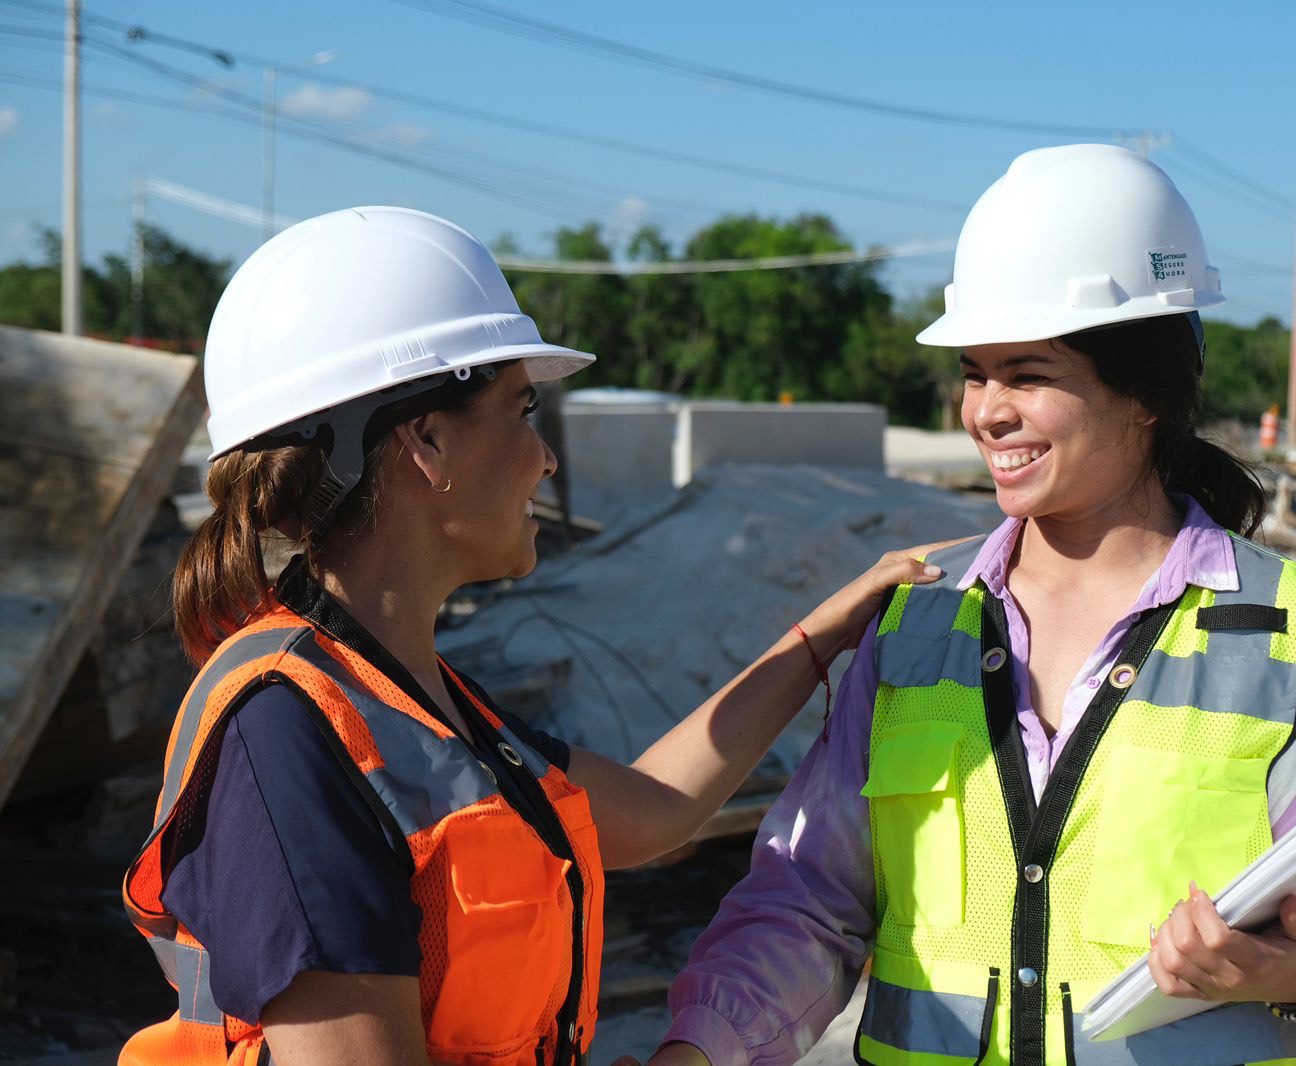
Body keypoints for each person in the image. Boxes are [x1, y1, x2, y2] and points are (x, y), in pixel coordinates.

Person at [651, 145, 1296, 1066]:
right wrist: (700, 1050)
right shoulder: (919, 624)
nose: (986, 412)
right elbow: (811, 900)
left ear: (1144, 394)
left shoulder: (1295, 638)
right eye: (975, 371)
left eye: (1028, 373)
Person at [118, 206, 948, 1066]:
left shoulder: (407, 699)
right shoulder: (288, 735)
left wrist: (832, 626)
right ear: (428, 442)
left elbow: (657, 811)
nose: (545, 459)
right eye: (522, 412)